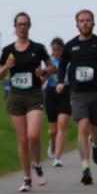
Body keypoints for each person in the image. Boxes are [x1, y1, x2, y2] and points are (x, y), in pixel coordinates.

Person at [55, 10, 97, 186]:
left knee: (96, 133)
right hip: (78, 93)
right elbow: (62, 65)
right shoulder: (71, 46)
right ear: (76, 24)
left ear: (93, 23)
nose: (85, 23)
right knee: (83, 126)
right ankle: (85, 168)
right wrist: (60, 81)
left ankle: (95, 144)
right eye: (82, 21)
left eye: (88, 20)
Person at [0, 12, 55, 192]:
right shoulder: (8, 50)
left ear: (29, 26)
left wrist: (44, 72)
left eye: (25, 24)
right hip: (15, 97)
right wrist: (6, 67)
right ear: (15, 27)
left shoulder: (38, 48)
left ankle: (38, 164)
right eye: (19, 24)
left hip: (34, 95)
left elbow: (52, 67)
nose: (22, 27)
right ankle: (27, 178)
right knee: (22, 141)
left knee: (33, 135)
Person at [44, 37, 71, 168]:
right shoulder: (49, 61)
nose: (56, 52)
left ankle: (58, 157)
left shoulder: (69, 61)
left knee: (62, 124)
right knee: (53, 130)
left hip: (66, 92)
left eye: (59, 50)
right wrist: (46, 73)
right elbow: (42, 77)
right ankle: (52, 143)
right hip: (51, 93)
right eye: (54, 50)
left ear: (63, 49)